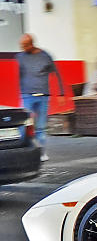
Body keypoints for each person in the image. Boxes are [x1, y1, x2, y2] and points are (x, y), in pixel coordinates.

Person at [16, 33, 64, 162]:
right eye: (21, 45)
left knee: (41, 127)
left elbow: (57, 74)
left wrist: (61, 93)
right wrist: (21, 93)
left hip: (43, 96)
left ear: (31, 44)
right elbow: (19, 75)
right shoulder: (20, 57)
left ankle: (41, 152)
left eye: (25, 45)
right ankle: (24, 151)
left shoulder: (45, 56)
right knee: (23, 124)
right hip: (26, 96)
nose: (22, 48)